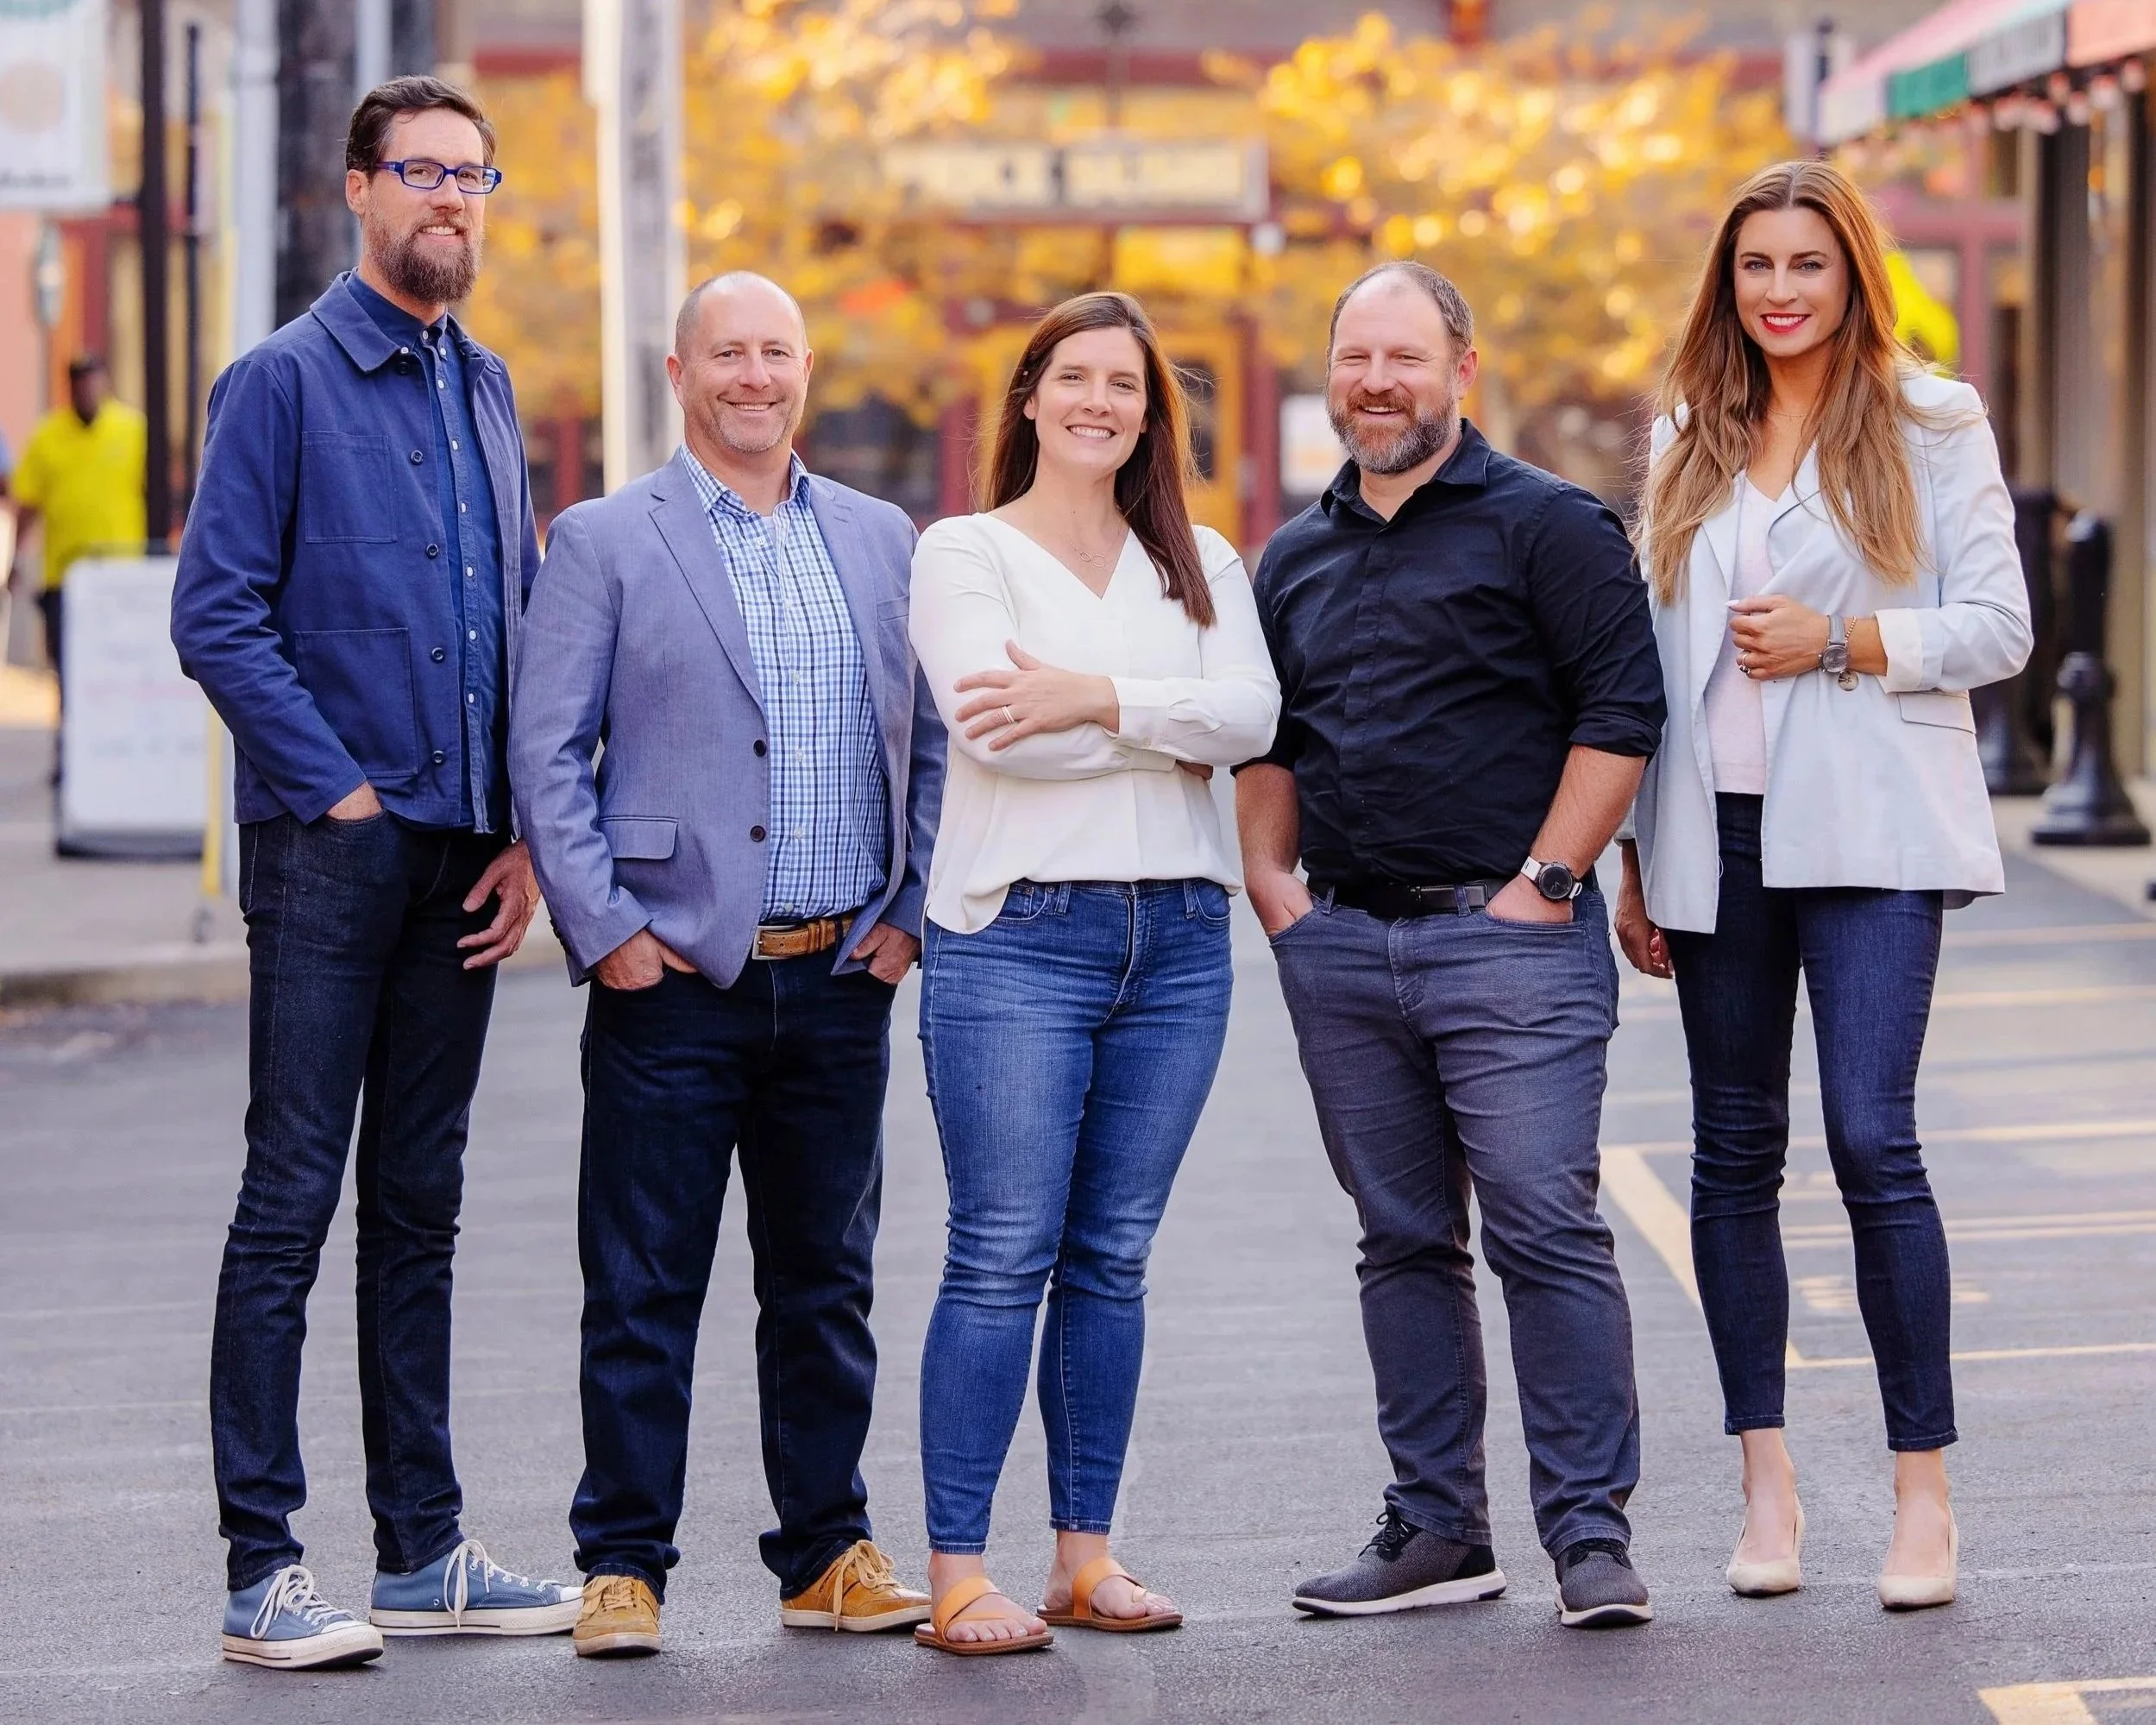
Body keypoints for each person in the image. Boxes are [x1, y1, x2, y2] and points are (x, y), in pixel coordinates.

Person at [171, 76, 574, 1671]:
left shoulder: (485, 385)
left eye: (472, 175)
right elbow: (218, 611)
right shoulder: (278, 381)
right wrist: (335, 791)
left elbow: (525, 623)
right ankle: (262, 1564)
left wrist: (530, 826)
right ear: (357, 190)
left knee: (423, 1203)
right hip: (336, 853)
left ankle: (422, 1549)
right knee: (292, 1201)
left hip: (466, 859)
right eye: (419, 171)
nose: (449, 200)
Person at [511, 272, 946, 1659]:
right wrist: (608, 931)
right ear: (679, 368)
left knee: (824, 1280)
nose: (754, 376)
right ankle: (621, 1562)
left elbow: (931, 743)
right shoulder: (602, 538)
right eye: (728, 353)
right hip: (673, 978)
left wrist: (910, 912)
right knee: (642, 1282)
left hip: (837, 976)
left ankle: (823, 1547)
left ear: (803, 371)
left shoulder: (883, 539)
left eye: (777, 353)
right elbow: (546, 753)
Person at [1616, 160, 2031, 1612]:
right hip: (1708, 840)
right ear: (1722, 285)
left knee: (1870, 1140)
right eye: (1753, 267)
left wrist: (1842, 638)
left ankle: (1921, 1493)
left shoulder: (1930, 420)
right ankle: (1764, 1483)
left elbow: (1996, 625)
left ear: (1850, 273)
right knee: (1730, 1159)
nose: (1777, 291)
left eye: (1803, 264)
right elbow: (1651, 666)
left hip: (1865, 833)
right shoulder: (1682, 432)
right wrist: (1630, 851)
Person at [1237, 261, 1666, 1629]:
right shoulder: (1290, 555)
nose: (1374, 382)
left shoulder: (1548, 525)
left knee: (1543, 1227)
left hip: (1510, 941)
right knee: (1401, 1240)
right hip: (1345, 943)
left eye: (1402, 358)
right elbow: (1269, 740)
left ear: (1458, 370)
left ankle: (1588, 1536)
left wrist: (1548, 882)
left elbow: (1619, 710)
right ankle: (1435, 1528)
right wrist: (1272, 887)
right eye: (1353, 358)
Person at [907, 291, 1279, 1655]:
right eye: (1074, 377)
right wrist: (1157, 727)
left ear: (1148, 413)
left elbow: (1250, 717)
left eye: (1124, 385)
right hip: (1017, 937)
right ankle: (956, 1569)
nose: (1099, 402)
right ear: (1026, 397)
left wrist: (1097, 698)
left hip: (1178, 935)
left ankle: (1083, 1555)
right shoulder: (963, 552)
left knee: (1109, 1259)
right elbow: (996, 734)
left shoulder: (1201, 563)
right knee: (1001, 1253)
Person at [14, 355, 148, 700]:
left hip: (121, 574)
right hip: (66, 577)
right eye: (80, 386)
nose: (87, 392)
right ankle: (70, 742)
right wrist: (16, 557)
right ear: (70, 388)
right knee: (69, 671)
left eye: (93, 383)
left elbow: (156, 493)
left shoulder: (132, 430)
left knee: (119, 667)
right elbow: (27, 505)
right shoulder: (48, 436)